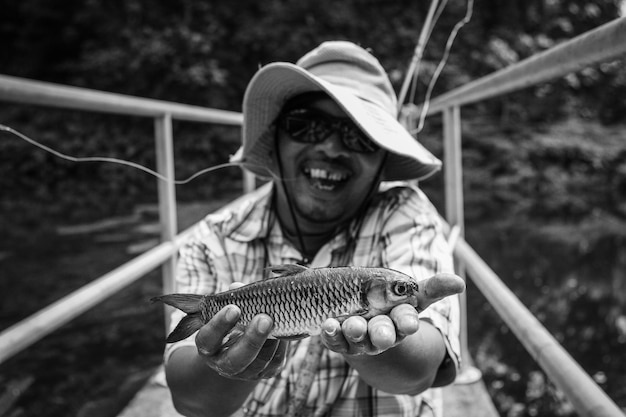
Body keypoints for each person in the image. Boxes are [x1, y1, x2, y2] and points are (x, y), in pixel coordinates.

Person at [162, 40, 462, 417]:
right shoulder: (212, 238)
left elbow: (419, 373)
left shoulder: (407, 215)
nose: (333, 148)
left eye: (359, 135)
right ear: (274, 142)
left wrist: (385, 342)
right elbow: (188, 400)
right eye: (307, 125)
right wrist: (220, 364)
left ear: (383, 161)